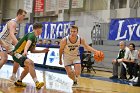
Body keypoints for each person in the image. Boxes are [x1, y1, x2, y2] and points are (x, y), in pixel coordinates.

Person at [12, 23, 49, 89]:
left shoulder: (35, 38)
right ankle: (37, 83)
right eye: (41, 29)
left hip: (21, 54)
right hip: (16, 53)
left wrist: (42, 51)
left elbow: (32, 50)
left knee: (27, 68)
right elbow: (28, 43)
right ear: (38, 29)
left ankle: (19, 81)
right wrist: (25, 50)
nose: (42, 31)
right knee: (30, 63)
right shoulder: (31, 35)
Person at [0, 9, 27, 81]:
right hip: (2, 41)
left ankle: (13, 76)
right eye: (23, 15)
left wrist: (18, 48)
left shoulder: (17, 24)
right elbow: (12, 34)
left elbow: (12, 38)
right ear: (19, 14)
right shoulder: (12, 23)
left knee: (18, 56)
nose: (24, 17)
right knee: (4, 58)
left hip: (8, 43)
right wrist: (19, 44)